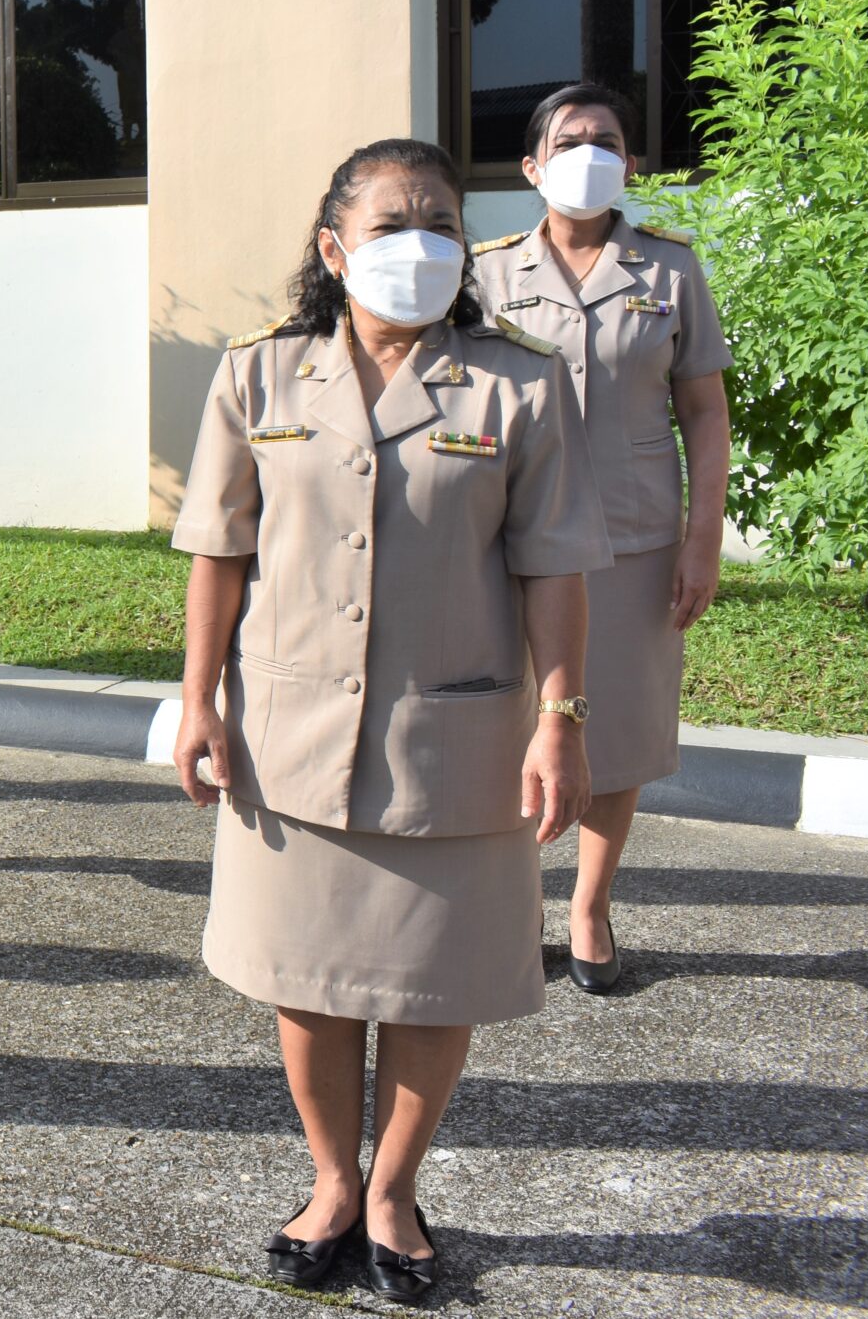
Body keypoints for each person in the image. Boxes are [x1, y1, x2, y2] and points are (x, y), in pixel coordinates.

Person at [168, 138, 610, 1302]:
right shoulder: (260, 374)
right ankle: (330, 1178)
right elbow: (218, 553)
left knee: (430, 981)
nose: (419, 245)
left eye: (440, 223)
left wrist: (559, 717)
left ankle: (394, 1192)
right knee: (306, 978)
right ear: (333, 248)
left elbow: (555, 568)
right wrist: (198, 699)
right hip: (289, 734)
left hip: (452, 741)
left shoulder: (518, 383)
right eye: (389, 225)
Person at [472, 84, 733, 994]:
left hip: (634, 541)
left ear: (631, 161)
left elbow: (705, 411)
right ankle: (510, 907)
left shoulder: (671, 269)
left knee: (612, 727)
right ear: (533, 166)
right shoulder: (488, 273)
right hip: (509, 539)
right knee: (505, 722)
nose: (589, 152)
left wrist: (704, 537)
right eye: (569, 140)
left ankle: (589, 905)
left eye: (606, 139)